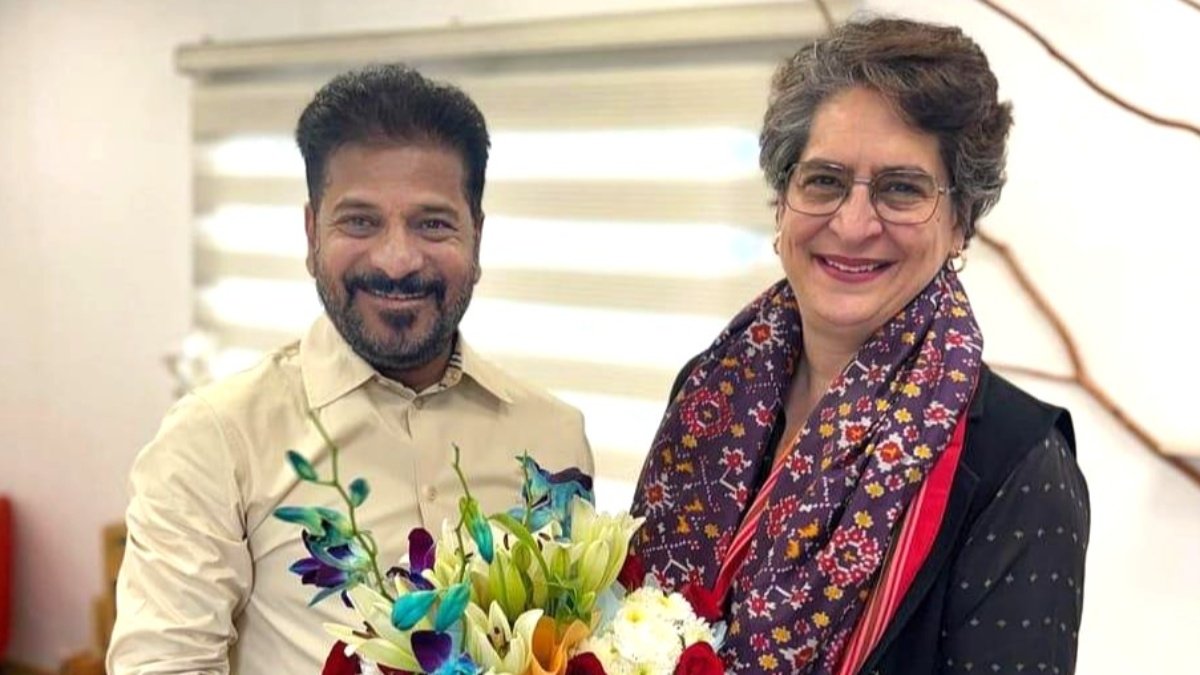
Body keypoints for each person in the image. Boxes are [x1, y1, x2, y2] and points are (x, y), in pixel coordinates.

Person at [631, 18, 1088, 675]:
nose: (852, 224)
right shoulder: (706, 394)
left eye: (902, 188)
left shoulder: (1022, 467)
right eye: (824, 180)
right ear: (781, 202)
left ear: (960, 222)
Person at [108, 64, 593, 675]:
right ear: (312, 233)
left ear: (477, 237)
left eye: (433, 223)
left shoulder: (553, 438)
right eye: (360, 221)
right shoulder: (216, 440)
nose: (396, 260)